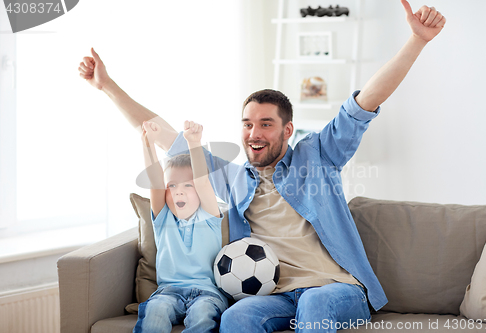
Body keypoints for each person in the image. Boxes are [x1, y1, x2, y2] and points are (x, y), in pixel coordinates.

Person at [79, 1, 445, 331]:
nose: (254, 132)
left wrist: (417, 41)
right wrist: (107, 85)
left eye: (266, 124)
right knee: (237, 317)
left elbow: (363, 104)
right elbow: (161, 134)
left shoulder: (317, 155)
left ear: (287, 130)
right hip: (274, 294)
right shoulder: (232, 179)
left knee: (316, 303)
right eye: (247, 124)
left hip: (335, 289)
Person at [135, 120, 227, 333]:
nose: (178, 191)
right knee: (155, 311)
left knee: (203, 315)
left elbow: (203, 182)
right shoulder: (162, 218)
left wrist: (194, 143)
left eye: (188, 185)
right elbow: (155, 181)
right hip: (168, 292)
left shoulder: (209, 216)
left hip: (206, 293)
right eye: (172, 186)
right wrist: (148, 143)